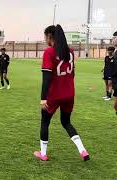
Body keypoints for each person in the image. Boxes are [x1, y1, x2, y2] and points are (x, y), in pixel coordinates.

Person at [34, 25, 90, 161]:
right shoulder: (70, 51)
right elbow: (73, 74)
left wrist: (43, 98)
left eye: (45, 36)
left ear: (49, 36)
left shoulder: (49, 52)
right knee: (66, 122)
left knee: (45, 122)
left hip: (54, 95)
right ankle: (82, 150)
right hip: (69, 94)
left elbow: (46, 77)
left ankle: (43, 154)